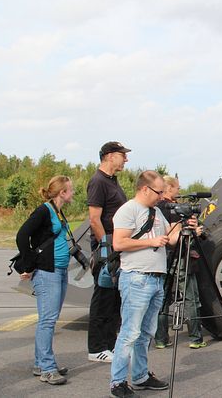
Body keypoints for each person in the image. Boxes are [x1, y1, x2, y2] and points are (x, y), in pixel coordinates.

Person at [109, 171, 199, 397]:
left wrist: (186, 228)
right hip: (136, 278)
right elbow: (118, 243)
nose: (161, 196)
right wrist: (150, 242)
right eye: (158, 192)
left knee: (145, 333)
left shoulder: (156, 211)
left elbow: (169, 240)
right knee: (129, 333)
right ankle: (117, 382)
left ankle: (140, 376)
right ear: (145, 189)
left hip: (156, 279)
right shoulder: (128, 210)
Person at [16, 176, 76, 385]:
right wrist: (28, 264)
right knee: (48, 320)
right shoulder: (44, 210)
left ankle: (41, 363)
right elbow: (22, 236)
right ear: (62, 193)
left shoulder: (57, 210)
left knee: (48, 319)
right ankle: (48, 369)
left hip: (58, 270)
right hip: (47, 271)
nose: (73, 193)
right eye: (71, 190)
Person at [87, 141, 130, 363]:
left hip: (117, 248)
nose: (126, 159)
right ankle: (96, 348)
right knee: (102, 298)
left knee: (114, 300)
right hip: (108, 249)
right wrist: (106, 248)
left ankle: (110, 345)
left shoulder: (113, 181)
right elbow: (94, 219)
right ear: (110, 156)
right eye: (123, 155)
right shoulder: (98, 181)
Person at [154, 175, 207, 350]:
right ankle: (195, 338)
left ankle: (161, 338)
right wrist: (195, 231)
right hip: (181, 258)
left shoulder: (156, 208)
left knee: (163, 299)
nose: (179, 191)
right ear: (168, 188)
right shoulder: (174, 210)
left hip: (163, 259)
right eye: (177, 188)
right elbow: (174, 237)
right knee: (191, 298)